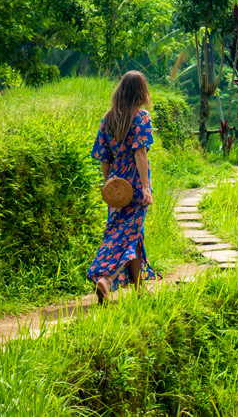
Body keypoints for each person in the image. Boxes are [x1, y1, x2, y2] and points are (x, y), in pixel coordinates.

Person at [88, 71, 160, 303]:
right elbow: (140, 154)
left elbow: (104, 158)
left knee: (129, 233)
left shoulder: (109, 118)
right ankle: (106, 279)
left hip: (117, 187)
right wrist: (146, 188)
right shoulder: (142, 118)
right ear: (141, 91)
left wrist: (111, 187)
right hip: (136, 187)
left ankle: (138, 288)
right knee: (127, 235)